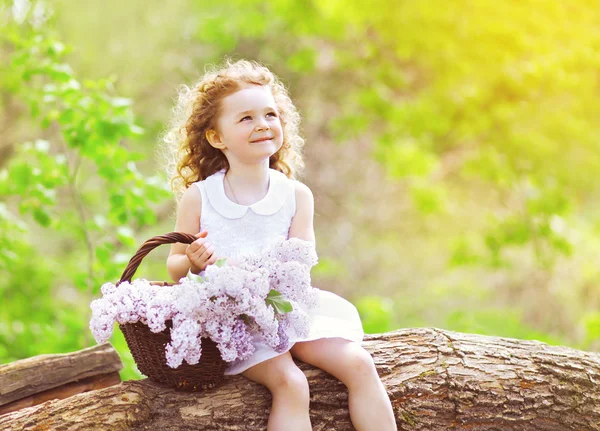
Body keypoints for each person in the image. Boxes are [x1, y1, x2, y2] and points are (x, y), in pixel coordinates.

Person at [162, 58, 397, 431]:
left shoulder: (296, 195)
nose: (262, 125)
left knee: (359, 364)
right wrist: (194, 262)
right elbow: (174, 267)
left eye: (270, 114)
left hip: (285, 308)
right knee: (291, 383)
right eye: (246, 118)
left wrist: (272, 287)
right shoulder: (200, 197)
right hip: (232, 320)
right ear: (216, 137)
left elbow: (300, 265)